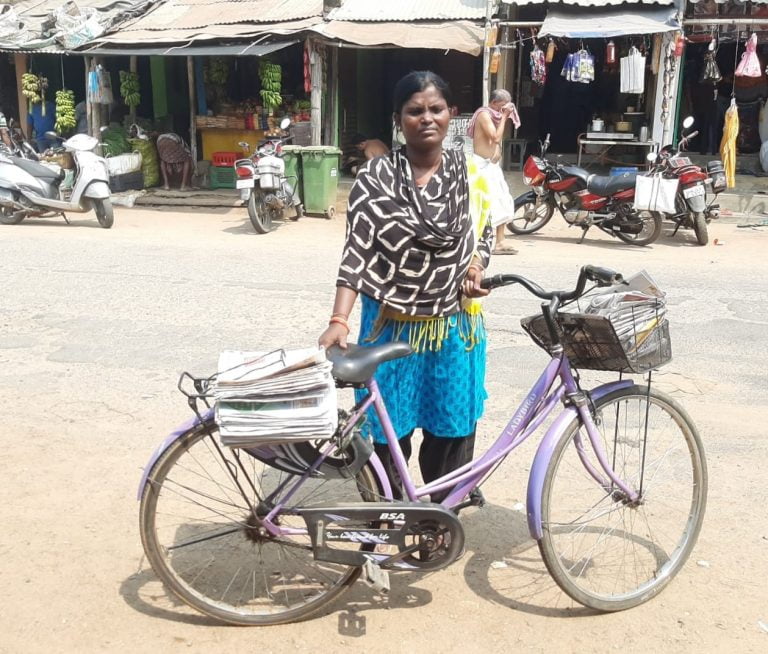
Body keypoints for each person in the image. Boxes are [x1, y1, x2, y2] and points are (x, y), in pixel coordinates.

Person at [318, 71, 494, 502]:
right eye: (415, 111)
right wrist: (339, 319)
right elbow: (356, 251)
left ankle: (442, 510)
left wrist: (474, 266)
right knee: (383, 429)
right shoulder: (375, 177)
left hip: (452, 326)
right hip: (389, 325)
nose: (427, 118)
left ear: (452, 115)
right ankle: (387, 513)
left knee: (449, 422)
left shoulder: (471, 173)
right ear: (399, 119)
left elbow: (483, 233)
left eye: (436, 109)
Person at [468, 89, 521, 255]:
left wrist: (503, 116)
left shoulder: (494, 116)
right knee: (486, 203)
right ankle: (478, 241)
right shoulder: (484, 115)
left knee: (503, 201)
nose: (502, 110)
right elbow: (495, 138)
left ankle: (500, 241)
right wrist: (504, 117)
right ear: (493, 103)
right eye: (501, 107)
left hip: (492, 167)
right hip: (482, 167)